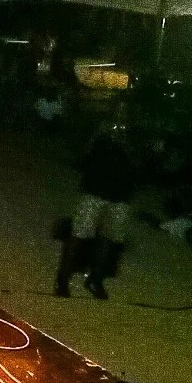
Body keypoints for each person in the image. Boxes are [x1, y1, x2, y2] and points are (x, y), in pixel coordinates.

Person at [54, 120, 136, 299]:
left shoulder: (136, 133)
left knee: (109, 240)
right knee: (78, 236)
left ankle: (95, 279)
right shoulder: (102, 128)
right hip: (95, 190)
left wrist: (128, 145)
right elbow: (81, 157)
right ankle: (63, 278)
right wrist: (100, 136)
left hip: (120, 194)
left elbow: (140, 164)